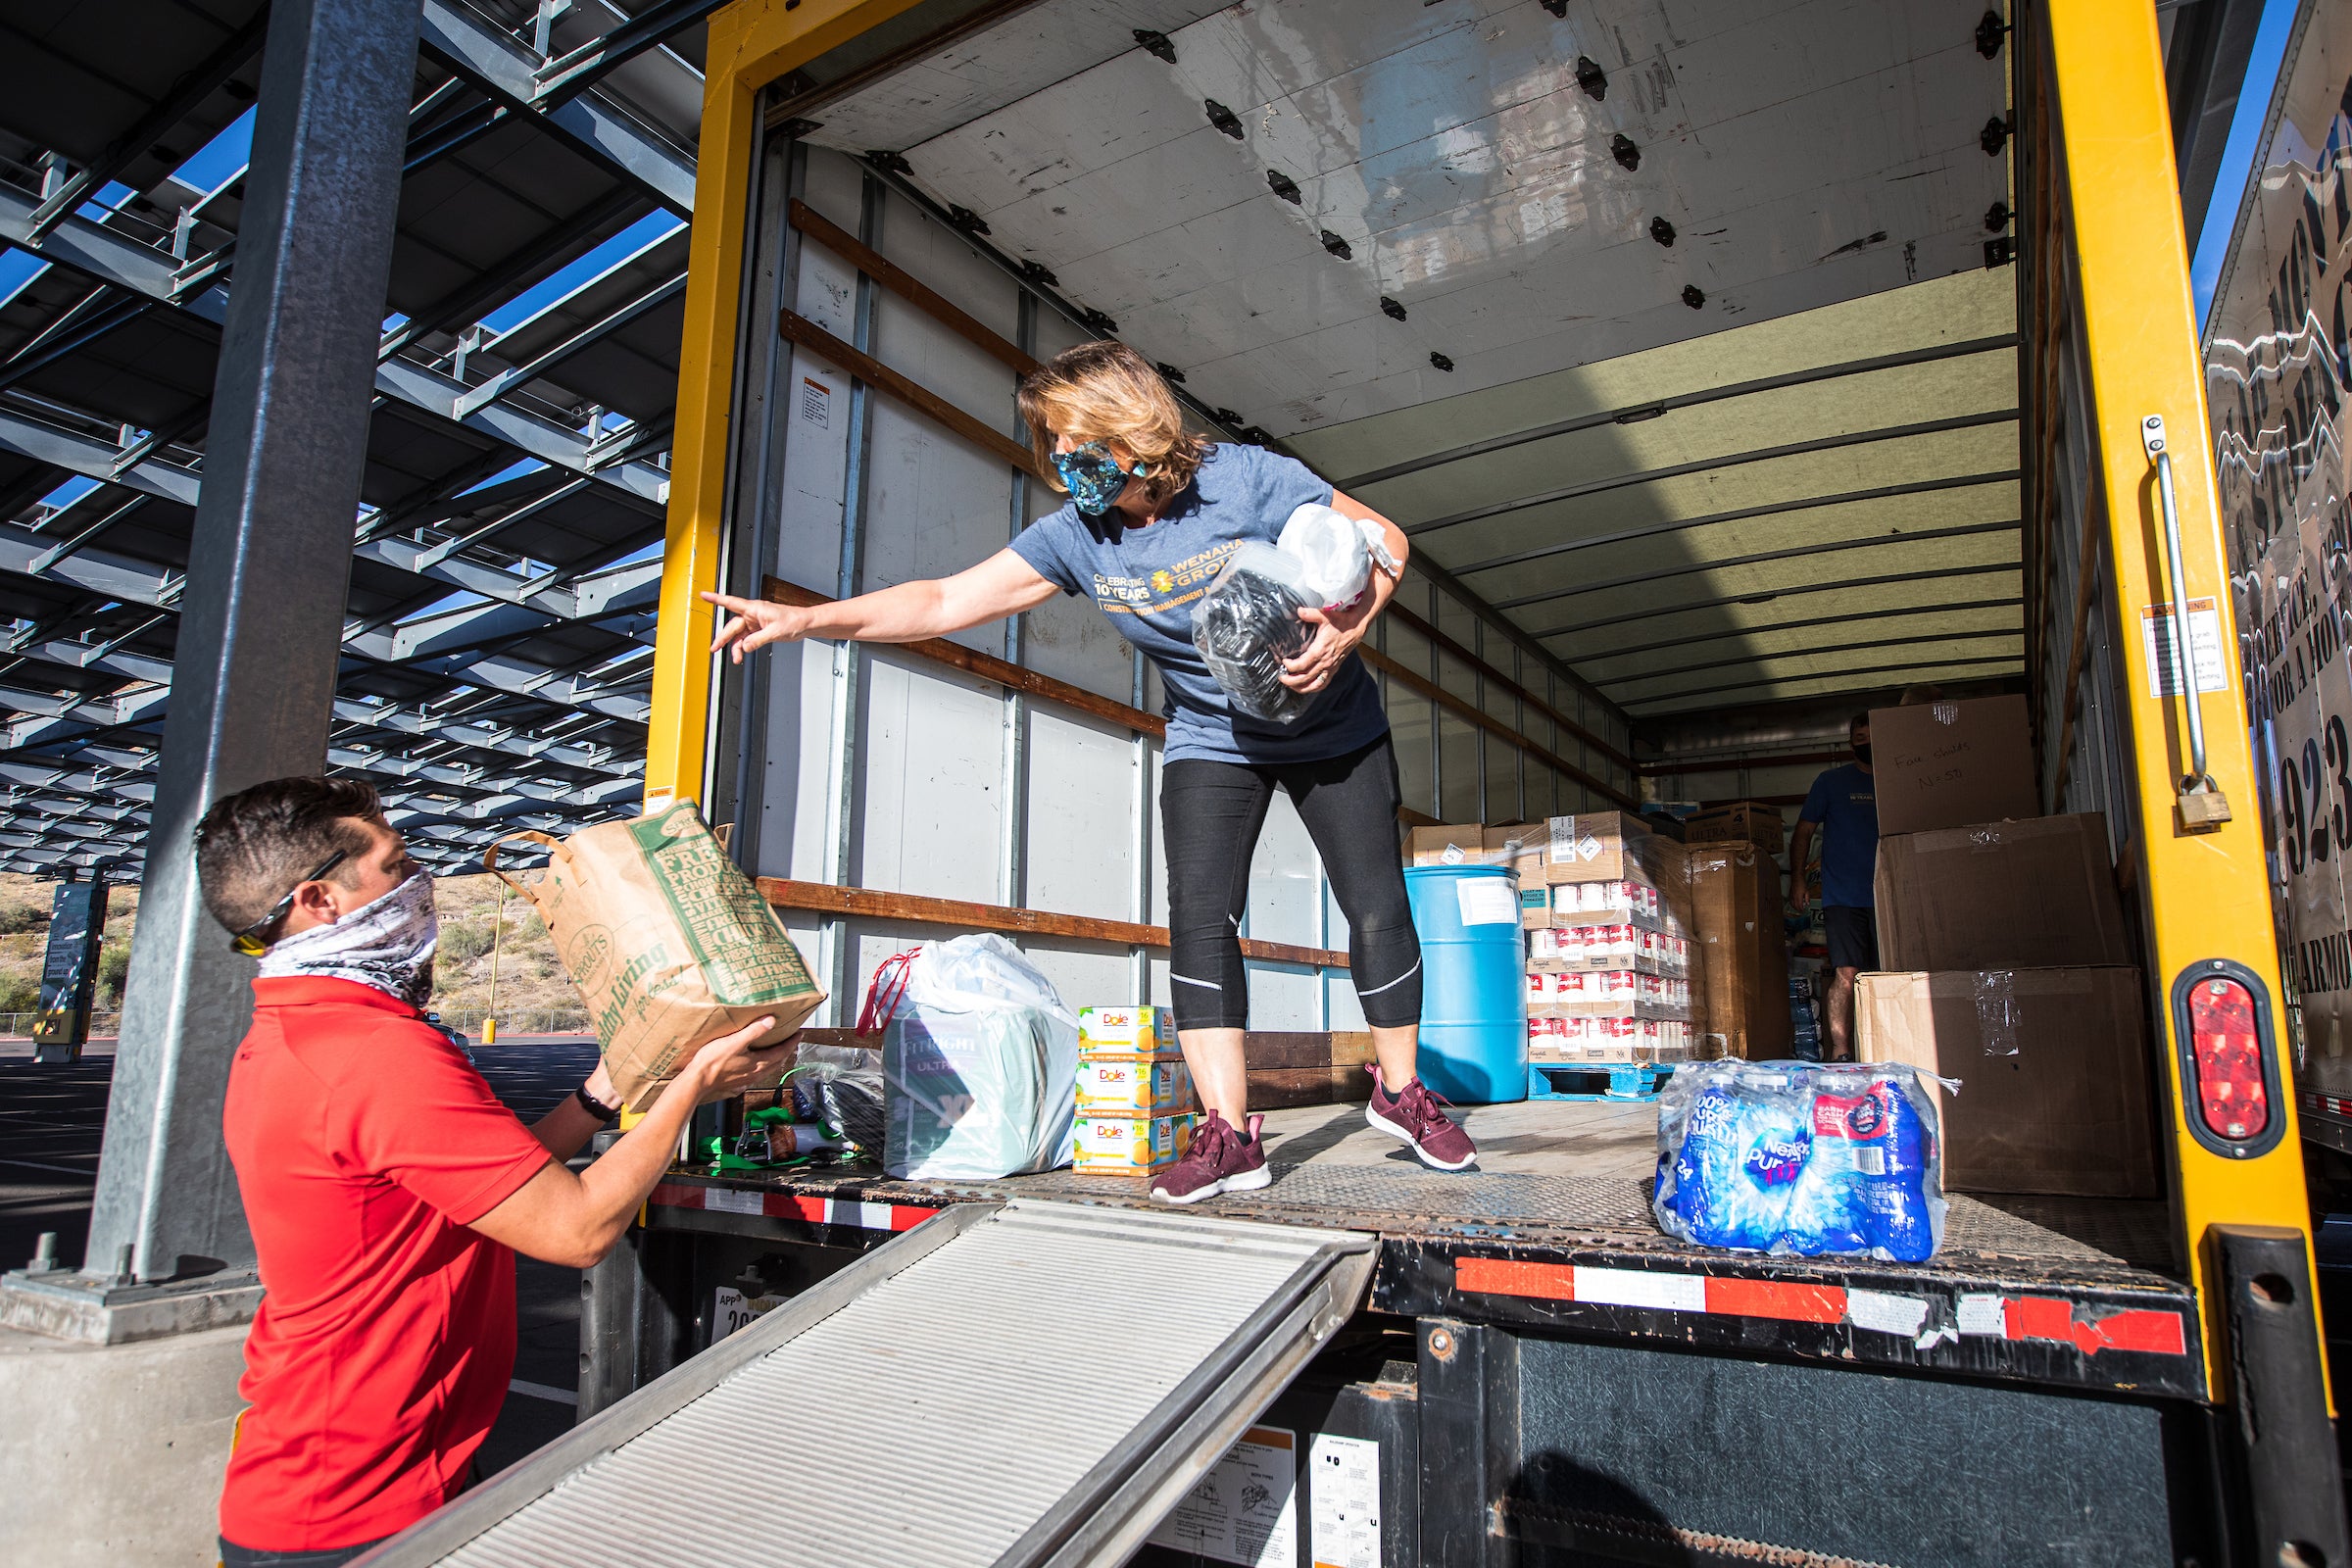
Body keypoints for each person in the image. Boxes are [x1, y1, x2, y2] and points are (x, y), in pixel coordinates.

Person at [702, 341, 1476, 1202]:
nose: (1065, 463)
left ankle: (1401, 1093)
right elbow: (944, 600)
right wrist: (806, 620)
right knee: (1199, 918)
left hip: (1333, 727)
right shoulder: (1075, 537)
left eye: (1078, 442)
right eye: (1053, 446)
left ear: (1133, 428)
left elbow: (1386, 540)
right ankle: (1229, 1133)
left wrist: (1350, 628)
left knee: (1374, 901)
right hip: (1211, 738)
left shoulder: (1245, 478)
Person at [199, 777, 788, 1567]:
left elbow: (492, 1189)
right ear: (320, 898)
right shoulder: (373, 1055)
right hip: (355, 1509)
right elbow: (576, 1228)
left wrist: (602, 1092)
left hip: (375, 1478)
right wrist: (691, 1089)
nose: (420, 884)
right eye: (395, 863)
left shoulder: (309, 1033)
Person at [1789, 713, 1879, 1061]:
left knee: (1893, 972)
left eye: (1872, 736)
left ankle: (1890, 1044)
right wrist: (1798, 878)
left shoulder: (1898, 778)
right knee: (1847, 972)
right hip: (1844, 896)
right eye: (1860, 736)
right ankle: (1840, 1053)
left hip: (1890, 896)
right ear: (1850, 742)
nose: (1866, 742)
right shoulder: (1831, 781)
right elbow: (1803, 831)